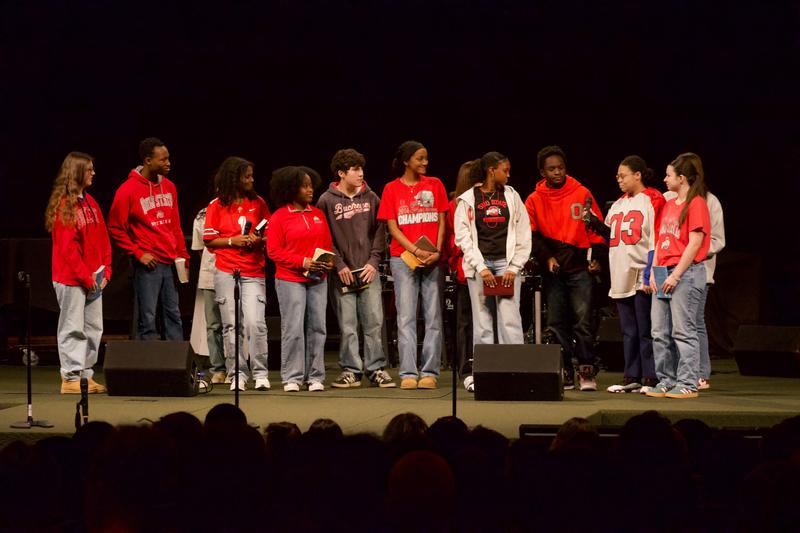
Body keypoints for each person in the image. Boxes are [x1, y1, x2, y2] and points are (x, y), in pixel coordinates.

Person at [524, 145, 606, 391]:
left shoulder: (582, 193)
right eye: (551, 169)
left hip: (580, 267)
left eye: (560, 168)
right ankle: (566, 370)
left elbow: (598, 230)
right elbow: (532, 235)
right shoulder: (534, 199)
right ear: (542, 172)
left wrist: (597, 258)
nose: (557, 172)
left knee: (582, 320)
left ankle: (586, 369)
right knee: (557, 322)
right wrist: (546, 257)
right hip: (553, 269)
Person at [316, 148, 395, 388]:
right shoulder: (326, 200)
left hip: (368, 271)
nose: (360, 173)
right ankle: (351, 370)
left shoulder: (372, 197)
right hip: (342, 274)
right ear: (341, 173)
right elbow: (323, 236)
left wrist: (373, 262)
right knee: (348, 325)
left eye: (361, 168)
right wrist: (338, 265)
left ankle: (376, 369)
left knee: (373, 322)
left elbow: (380, 232)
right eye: (355, 169)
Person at [454, 152, 531, 393]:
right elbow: (463, 237)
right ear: (490, 170)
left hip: (506, 266)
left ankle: (517, 372)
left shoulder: (512, 196)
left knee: (510, 318)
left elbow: (523, 232)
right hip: (481, 266)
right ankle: (484, 373)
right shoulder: (467, 200)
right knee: (483, 322)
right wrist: (482, 267)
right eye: (504, 170)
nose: (508, 175)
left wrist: (514, 267)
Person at [587, 156, 665, 393]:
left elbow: (656, 236)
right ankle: (632, 374)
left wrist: (652, 269)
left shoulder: (653, 199)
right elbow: (611, 237)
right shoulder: (618, 205)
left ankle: (651, 375)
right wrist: (597, 226)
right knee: (628, 329)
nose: (619, 180)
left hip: (642, 270)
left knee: (646, 327)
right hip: (620, 271)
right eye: (618, 176)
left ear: (638, 175)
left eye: (623, 175)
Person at [377, 141, 448, 390]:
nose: (425, 163)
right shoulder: (391, 189)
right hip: (403, 258)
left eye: (426, 158)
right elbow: (392, 227)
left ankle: (429, 371)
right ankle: (408, 371)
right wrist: (415, 249)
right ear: (407, 160)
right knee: (405, 316)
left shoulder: (435, 184)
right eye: (420, 158)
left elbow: (441, 220)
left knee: (433, 316)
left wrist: (436, 251)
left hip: (432, 259)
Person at [107, 137, 189, 340]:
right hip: (148, 264)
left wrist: (183, 254)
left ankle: (175, 365)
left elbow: (175, 225)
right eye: (163, 160)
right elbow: (115, 228)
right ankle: (149, 367)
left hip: (170, 261)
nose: (168, 163)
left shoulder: (170, 187)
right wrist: (137, 252)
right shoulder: (127, 190)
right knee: (148, 318)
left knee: (174, 315)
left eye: (168, 158)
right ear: (147, 160)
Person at [645, 152, 711, 399]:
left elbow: (695, 243)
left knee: (683, 330)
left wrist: (676, 275)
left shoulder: (697, 204)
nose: (664, 179)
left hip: (686, 272)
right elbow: (662, 240)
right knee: (659, 331)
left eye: (669, 175)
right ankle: (666, 379)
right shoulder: (669, 205)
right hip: (663, 270)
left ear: (682, 178)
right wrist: (653, 271)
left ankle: (687, 382)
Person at [203, 157, 271, 391]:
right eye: (247, 176)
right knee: (231, 325)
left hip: (253, 271)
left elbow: (268, 233)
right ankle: (237, 374)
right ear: (234, 178)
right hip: (226, 272)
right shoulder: (216, 205)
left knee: (255, 323)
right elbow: (209, 239)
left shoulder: (259, 202)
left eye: (252, 175)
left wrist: (257, 239)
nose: (251, 180)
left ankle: (260, 373)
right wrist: (234, 240)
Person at [45, 152, 111, 394]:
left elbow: (103, 238)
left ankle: (85, 374)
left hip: (94, 277)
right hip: (72, 278)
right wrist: (84, 276)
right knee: (73, 326)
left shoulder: (91, 203)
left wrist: (107, 268)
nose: (93, 173)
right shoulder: (66, 204)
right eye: (89, 169)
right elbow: (68, 248)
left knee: (94, 328)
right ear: (77, 172)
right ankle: (71, 377)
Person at [267, 166, 334, 392]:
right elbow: (273, 251)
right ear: (291, 189)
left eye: (310, 185)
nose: (310, 190)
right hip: (290, 279)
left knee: (318, 327)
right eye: (304, 186)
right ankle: (292, 377)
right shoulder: (279, 217)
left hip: (317, 278)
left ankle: (315, 376)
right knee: (293, 328)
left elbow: (326, 244)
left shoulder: (317, 214)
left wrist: (327, 262)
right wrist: (302, 262)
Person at [664, 168, 725, 390]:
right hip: (671, 269)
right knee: (673, 326)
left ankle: (699, 373)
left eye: (670, 174)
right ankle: (676, 375)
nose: (666, 179)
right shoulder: (669, 199)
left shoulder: (707, 202)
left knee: (693, 323)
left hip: (696, 269)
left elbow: (717, 240)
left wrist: (689, 252)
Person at [444, 160, 478, 391]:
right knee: (465, 322)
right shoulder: (454, 206)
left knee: (482, 322)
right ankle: (466, 369)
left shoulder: (485, 201)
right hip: (466, 273)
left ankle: (484, 365)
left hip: (485, 272)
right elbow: (452, 242)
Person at [190, 205, 225, 384]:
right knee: (213, 324)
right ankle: (218, 369)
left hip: (237, 272)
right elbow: (198, 247)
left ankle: (237, 369)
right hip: (210, 273)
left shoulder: (241, 207)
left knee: (235, 325)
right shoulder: (204, 212)